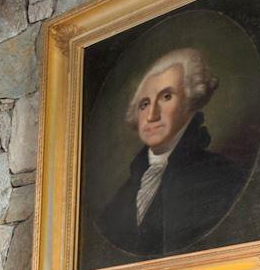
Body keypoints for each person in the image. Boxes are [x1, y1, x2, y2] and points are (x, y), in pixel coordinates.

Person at [93, 47, 248, 259]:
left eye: (166, 96)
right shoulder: (125, 193)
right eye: (144, 104)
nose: (151, 115)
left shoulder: (222, 176)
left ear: (190, 102)